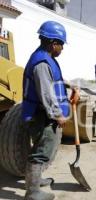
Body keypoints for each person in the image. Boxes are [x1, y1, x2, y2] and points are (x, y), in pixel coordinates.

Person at [22, 21, 79, 200]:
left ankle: (37, 179)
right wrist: (58, 115)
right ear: (53, 43)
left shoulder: (45, 59)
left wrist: (70, 85)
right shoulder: (41, 63)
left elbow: (52, 81)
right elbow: (46, 94)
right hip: (42, 115)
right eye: (61, 44)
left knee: (43, 149)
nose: (62, 48)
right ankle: (32, 192)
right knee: (41, 152)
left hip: (44, 114)